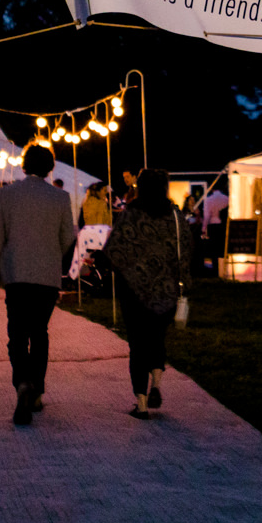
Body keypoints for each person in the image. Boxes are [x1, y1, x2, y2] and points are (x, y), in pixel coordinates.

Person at [0, 145, 76, 426]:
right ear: (50, 167)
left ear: (24, 164)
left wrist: (5, 266)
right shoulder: (61, 198)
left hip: (16, 274)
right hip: (46, 277)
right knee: (39, 333)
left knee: (16, 334)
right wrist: (52, 257)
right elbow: (68, 238)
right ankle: (36, 390)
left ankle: (22, 384)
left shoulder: (6, 194)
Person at [106, 168, 192, 418]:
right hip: (164, 289)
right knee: (157, 338)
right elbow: (185, 251)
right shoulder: (175, 216)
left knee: (138, 344)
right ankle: (156, 385)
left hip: (134, 291)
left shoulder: (131, 214)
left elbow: (114, 250)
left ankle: (141, 404)